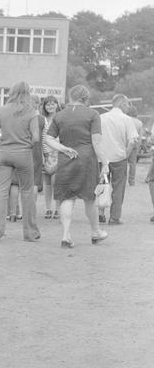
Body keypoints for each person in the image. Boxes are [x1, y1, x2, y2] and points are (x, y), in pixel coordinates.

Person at [44, 84, 108, 248]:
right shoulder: (93, 114)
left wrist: (63, 148)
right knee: (89, 198)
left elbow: (48, 139)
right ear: (85, 98)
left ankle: (66, 236)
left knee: (67, 197)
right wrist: (105, 162)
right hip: (87, 160)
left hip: (66, 159)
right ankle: (95, 232)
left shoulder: (59, 116)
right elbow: (97, 141)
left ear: (70, 97)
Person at [0, 81, 41, 242]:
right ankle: (30, 233)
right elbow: (36, 137)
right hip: (24, 154)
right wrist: (27, 145)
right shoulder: (31, 112)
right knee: (27, 192)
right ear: (27, 94)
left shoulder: (2, 111)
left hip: (5, 154)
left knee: (1, 191)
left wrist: (0, 146)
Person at [96, 94, 139, 225]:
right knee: (118, 187)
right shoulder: (127, 119)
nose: (128, 107)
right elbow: (132, 141)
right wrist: (126, 154)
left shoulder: (101, 118)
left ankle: (100, 213)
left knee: (103, 185)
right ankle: (114, 217)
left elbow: (95, 138)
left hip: (103, 159)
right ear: (122, 104)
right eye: (127, 104)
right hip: (119, 159)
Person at [40, 95, 61, 219]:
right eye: (48, 104)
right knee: (47, 183)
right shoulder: (43, 119)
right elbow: (42, 138)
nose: (50, 106)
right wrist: (44, 154)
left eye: (53, 103)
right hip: (45, 154)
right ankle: (48, 208)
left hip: (58, 153)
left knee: (56, 182)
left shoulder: (61, 118)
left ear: (57, 104)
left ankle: (58, 208)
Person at [126, 104, 144, 186]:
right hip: (135, 144)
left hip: (126, 144)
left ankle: (122, 180)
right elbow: (140, 136)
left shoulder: (126, 119)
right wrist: (138, 145)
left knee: (123, 162)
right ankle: (131, 181)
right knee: (133, 164)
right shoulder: (139, 122)